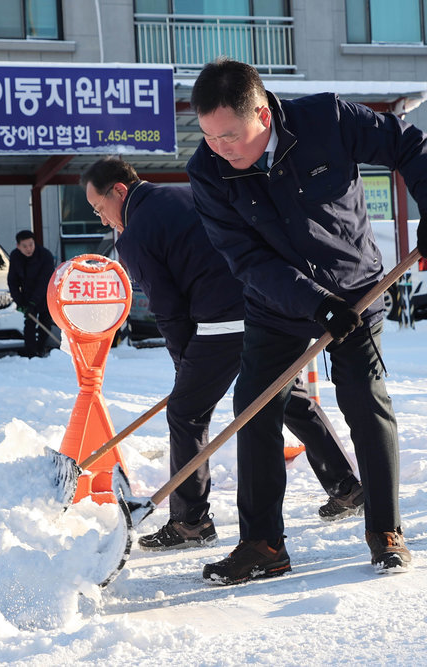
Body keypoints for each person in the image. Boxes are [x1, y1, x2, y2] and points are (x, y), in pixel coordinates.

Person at [186, 58, 427, 583]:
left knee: (364, 401)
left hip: (356, 289)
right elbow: (247, 260)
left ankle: (385, 530)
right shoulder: (207, 171)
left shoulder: (326, 120)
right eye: (210, 137)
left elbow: (409, 145)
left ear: (262, 113)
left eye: (231, 136)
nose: (221, 148)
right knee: (255, 410)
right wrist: (312, 302)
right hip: (279, 304)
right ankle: (263, 544)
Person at [81, 156, 364, 553]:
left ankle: (190, 521)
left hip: (223, 324)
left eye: (100, 209)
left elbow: (167, 308)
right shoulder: (185, 194)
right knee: (288, 399)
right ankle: (348, 488)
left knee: (186, 413)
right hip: (271, 306)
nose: (103, 219)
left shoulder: (134, 235)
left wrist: (185, 365)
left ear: (120, 191)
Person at [7, 230, 57, 358]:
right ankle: (30, 351)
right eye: (24, 246)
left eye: (31, 244)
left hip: (46, 294)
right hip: (26, 295)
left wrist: (33, 302)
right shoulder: (15, 256)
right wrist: (20, 302)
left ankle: (41, 348)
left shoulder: (45, 256)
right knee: (29, 322)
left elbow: (44, 282)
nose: (29, 249)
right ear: (18, 246)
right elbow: (12, 281)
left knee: (45, 322)